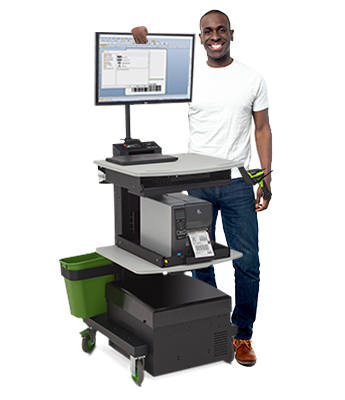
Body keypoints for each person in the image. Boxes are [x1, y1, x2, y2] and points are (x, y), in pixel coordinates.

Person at [131, 9, 272, 367]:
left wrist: (266, 178)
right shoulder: (189, 77)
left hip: (237, 182)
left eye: (221, 29)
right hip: (196, 184)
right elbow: (150, 76)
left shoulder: (252, 78)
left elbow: (262, 130)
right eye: (207, 31)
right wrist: (139, 40)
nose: (215, 36)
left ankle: (242, 334)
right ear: (200, 37)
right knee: (198, 259)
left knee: (248, 263)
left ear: (231, 34)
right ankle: (210, 325)